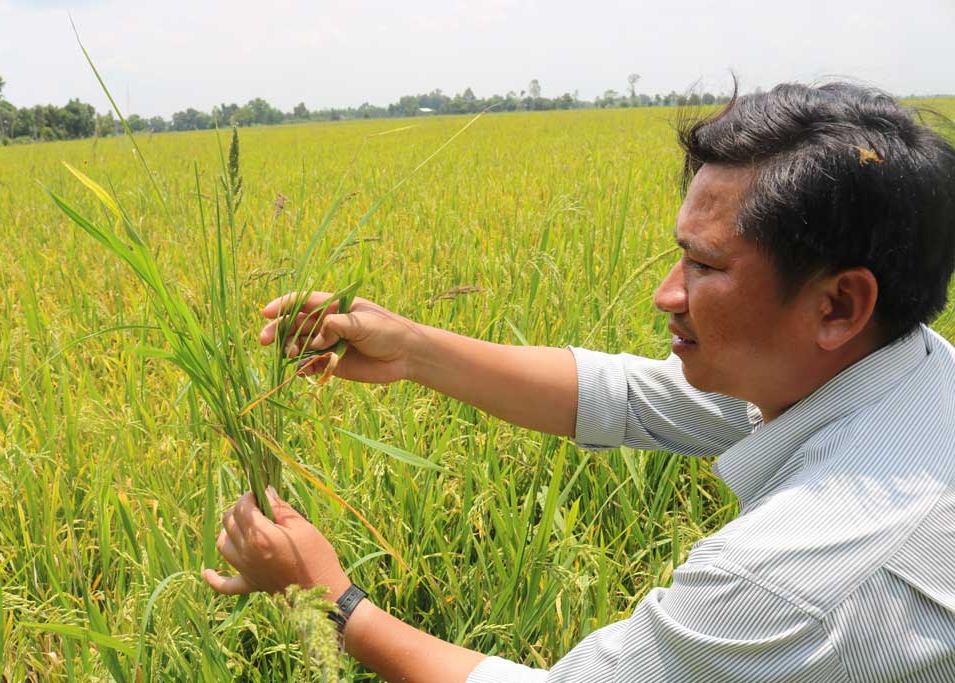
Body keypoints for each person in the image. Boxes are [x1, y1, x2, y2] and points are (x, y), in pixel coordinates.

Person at [202, 82, 955, 682]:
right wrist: (411, 351)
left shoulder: (786, 580)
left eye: (707, 266)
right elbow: (627, 396)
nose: (667, 293)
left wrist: (331, 595)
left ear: (839, 303)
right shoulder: (906, 369)